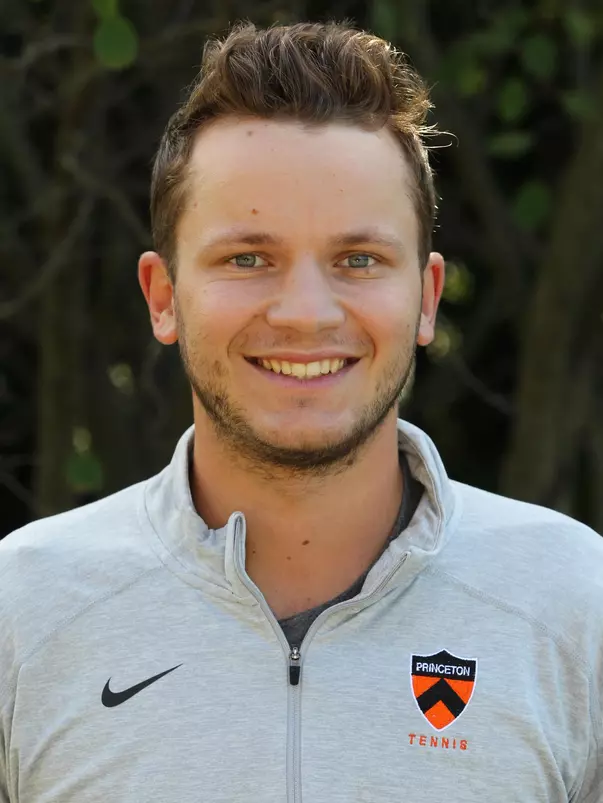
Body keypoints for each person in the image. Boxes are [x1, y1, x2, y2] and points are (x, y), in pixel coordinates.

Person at [1, 19, 602, 803]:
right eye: (247, 258)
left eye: (358, 259)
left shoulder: (576, 603)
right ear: (162, 296)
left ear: (424, 299)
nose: (306, 312)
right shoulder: (22, 607)